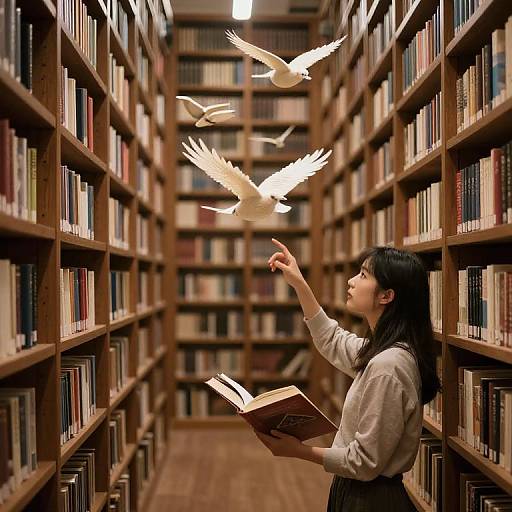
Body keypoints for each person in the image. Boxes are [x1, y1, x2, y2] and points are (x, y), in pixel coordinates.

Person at [254, 238, 441, 511]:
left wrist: (298, 451)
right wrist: (299, 283)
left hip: (371, 499)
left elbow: (363, 463)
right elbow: (331, 339)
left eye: (363, 275)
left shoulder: (388, 366)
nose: (351, 281)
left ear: (386, 296)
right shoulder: (381, 352)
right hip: (355, 491)